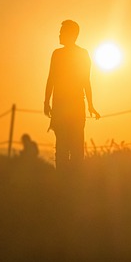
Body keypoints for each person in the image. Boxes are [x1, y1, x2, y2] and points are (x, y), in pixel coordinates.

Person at [44, 20, 100, 172]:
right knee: (72, 148)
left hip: (65, 107)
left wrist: (91, 105)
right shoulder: (80, 54)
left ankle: (67, 182)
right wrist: (90, 105)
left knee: (65, 148)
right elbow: (85, 82)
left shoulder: (60, 54)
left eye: (62, 32)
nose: (60, 34)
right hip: (72, 107)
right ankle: (71, 182)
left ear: (71, 34)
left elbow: (52, 79)